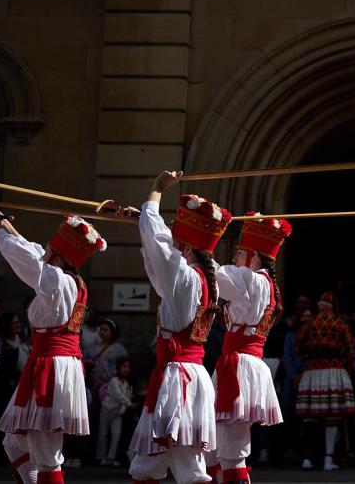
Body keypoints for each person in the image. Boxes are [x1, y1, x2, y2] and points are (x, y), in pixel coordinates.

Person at [0, 196, 105, 484]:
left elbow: (23, 255)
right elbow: (32, 251)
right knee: (14, 442)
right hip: (56, 364)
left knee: (46, 452)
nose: (46, 250)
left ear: (58, 257)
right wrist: (2, 223)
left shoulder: (54, 280)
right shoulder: (72, 281)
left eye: (52, 248)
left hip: (51, 367)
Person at [129, 172, 225, 484]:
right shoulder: (206, 280)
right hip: (188, 377)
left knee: (178, 468)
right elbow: (159, 252)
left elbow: (158, 243)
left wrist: (156, 191)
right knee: (153, 465)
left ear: (184, 245)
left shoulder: (183, 278)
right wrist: (141, 222)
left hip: (177, 380)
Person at [207, 211, 291, 484]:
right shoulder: (267, 285)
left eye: (239, 253)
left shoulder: (252, 281)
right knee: (220, 444)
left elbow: (214, 275)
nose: (235, 259)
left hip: (240, 365)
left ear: (253, 256)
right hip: (245, 363)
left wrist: (198, 242)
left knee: (230, 446)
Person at [293, 291, 355, 471]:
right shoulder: (340, 323)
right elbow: (351, 351)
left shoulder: (308, 324)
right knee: (332, 418)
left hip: (312, 373)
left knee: (310, 418)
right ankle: (329, 459)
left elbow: (296, 348)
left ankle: (307, 458)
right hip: (334, 372)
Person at [98, 357, 135, 467]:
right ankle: (101, 457)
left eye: (128, 367)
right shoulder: (114, 380)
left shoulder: (127, 383)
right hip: (107, 410)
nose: (126, 369)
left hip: (118, 413)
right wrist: (130, 404)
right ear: (118, 368)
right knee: (103, 434)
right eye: (124, 366)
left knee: (116, 435)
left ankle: (111, 457)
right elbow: (119, 396)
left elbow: (126, 396)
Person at [83, 319, 127, 403]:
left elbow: (125, 365)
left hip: (110, 387)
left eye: (106, 330)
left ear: (113, 332)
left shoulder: (119, 349)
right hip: (92, 385)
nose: (102, 332)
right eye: (101, 329)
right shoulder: (91, 347)